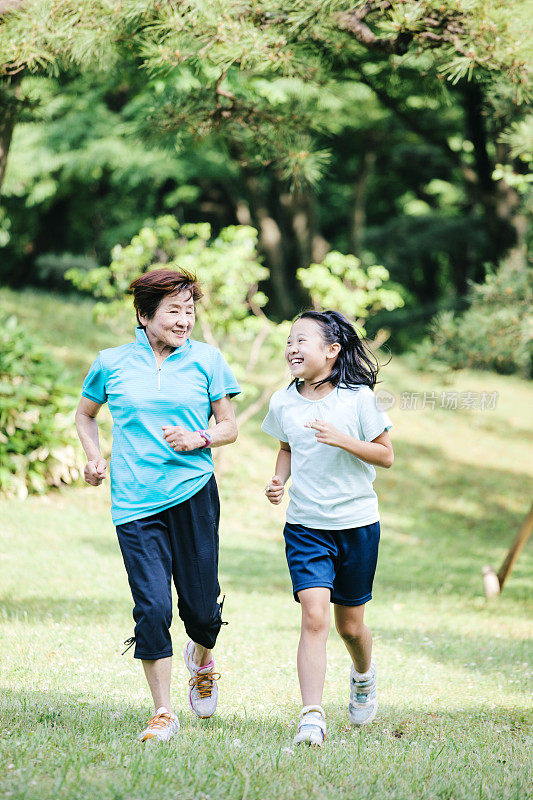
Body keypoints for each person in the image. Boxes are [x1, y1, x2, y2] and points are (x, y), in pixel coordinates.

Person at [75, 268, 240, 743]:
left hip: (194, 494)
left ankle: (202, 658)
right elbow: (86, 415)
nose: (185, 319)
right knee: (151, 607)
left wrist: (199, 437)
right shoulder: (111, 363)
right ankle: (163, 711)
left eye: (190, 310)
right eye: (174, 310)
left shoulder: (208, 360)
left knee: (203, 613)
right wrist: (93, 457)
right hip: (134, 501)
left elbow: (229, 425)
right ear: (145, 315)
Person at [261, 310, 393, 747]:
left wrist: (343, 440)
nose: (292, 348)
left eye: (302, 341)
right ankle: (312, 716)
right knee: (314, 617)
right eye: (289, 341)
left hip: (356, 525)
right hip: (306, 526)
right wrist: (281, 479)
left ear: (332, 351)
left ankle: (362, 674)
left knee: (350, 626)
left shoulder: (357, 399)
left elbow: (384, 455)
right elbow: (286, 447)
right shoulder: (283, 401)